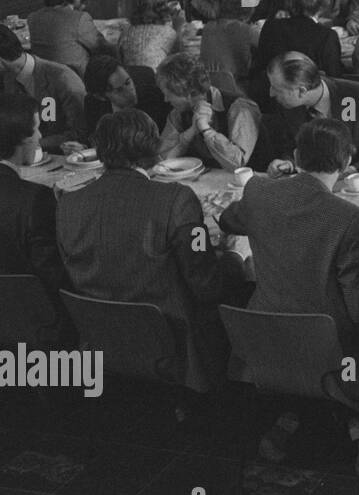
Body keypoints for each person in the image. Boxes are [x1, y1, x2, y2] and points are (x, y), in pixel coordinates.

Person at [218, 118, 359, 475]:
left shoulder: (258, 191)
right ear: (346, 162)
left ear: (296, 156)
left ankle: (291, 413)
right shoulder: (350, 218)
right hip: (331, 351)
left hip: (264, 341)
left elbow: (228, 221)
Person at [57, 109, 236, 392]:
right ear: (152, 148)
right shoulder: (178, 199)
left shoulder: (68, 203)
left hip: (101, 335)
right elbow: (205, 284)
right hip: (171, 337)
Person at [0, 94, 70, 344]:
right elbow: (54, 277)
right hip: (39, 328)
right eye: (37, 130)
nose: (40, 137)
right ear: (22, 139)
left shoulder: (35, 198)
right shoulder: (36, 199)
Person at [262, 52, 359, 178]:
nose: (271, 93)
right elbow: (289, 146)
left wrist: (351, 171)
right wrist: (288, 162)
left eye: (277, 89)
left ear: (302, 91)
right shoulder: (288, 107)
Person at [156, 53, 261, 170]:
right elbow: (162, 159)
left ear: (188, 94)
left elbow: (237, 163)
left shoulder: (239, 108)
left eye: (168, 94)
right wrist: (190, 133)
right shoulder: (178, 114)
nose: (165, 99)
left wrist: (206, 129)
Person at [0, 25, 85, 153]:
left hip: (61, 155)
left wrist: (32, 144)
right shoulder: (7, 78)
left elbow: (80, 132)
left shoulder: (62, 78)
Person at [27, 0, 111, 75]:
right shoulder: (80, 19)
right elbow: (101, 47)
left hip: (46, 82)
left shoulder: (33, 18)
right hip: (78, 81)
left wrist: (75, 11)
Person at [75, 54, 168, 142]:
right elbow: (95, 139)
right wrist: (82, 147)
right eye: (119, 90)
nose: (130, 92)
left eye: (128, 82)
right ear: (101, 96)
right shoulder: (94, 103)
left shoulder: (153, 95)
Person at [119, 0, 182, 71]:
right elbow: (179, 58)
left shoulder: (125, 33)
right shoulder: (167, 32)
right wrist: (179, 27)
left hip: (131, 80)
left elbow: (120, 59)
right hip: (157, 80)